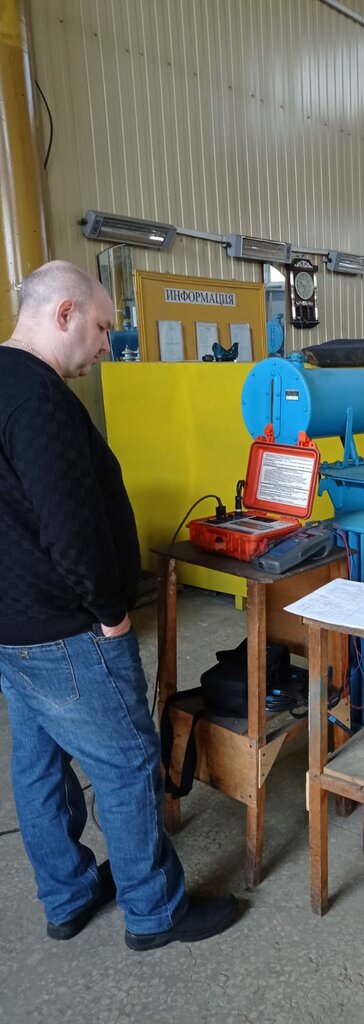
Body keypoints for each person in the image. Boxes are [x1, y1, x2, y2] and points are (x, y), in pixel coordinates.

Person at [0, 261, 239, 950]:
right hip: (66, 628)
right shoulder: (40, 401)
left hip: (13, 626)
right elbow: (70, 528)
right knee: (130, 763)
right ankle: (154, 912)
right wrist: (111, 612)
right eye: (103, 328)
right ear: (65, 313)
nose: (108, 345)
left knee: (39, 763)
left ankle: (68, 896)